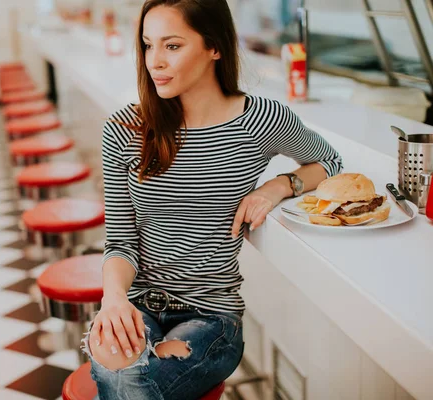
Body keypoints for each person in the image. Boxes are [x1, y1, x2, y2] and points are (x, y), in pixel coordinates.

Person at [80, 0, 343, 399]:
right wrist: (113, 299)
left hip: (210, 318)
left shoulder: (260, 120)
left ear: (214, 46)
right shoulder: (125, 130)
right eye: (148, 46)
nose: (155, 62)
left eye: (172, 46)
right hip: (138, 307)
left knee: (126, 383)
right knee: (119, 370)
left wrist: (276, 187)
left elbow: (329, 160)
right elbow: (120, 241)